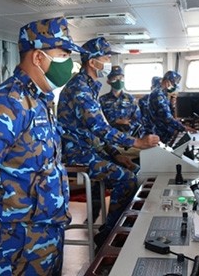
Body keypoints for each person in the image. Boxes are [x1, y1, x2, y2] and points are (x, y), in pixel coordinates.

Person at [0, 17, 82, 275]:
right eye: (63, 54)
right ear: (38, 57)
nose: (68, 62)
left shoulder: (40, 100)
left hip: (45, 230)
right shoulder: (8, 102)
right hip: (16, 239)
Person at [57, 36, 160, 247]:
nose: (108, 62)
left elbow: (97, 133)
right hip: (77, 153)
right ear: (92, 62)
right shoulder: (80, 90)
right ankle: (108, 236)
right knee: (127, 180)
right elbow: (100, 128)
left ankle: (113, 228)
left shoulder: (90, 88)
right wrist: (137, 143)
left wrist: (117, 155)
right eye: (105, 57)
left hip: (90, 148)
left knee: (134, 170)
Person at [148, 70, 196, 144]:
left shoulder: (163, 94)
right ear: (167, 81)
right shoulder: (158, 95)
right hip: (159, 131)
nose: (173, 87)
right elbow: (167, 118)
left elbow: (168, 113)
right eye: (173, 84)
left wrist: (171, 103)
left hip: (163, 130)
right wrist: (183, 128)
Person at [99, 65, 144, 135]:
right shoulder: (102, 100)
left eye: (121, 78)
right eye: (115, 78)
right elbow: (100, 119)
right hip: (109, 136)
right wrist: (115, 121)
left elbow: (138, 119)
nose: (119, 81)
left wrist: (128, 124)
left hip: (129, 136)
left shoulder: (130, 98)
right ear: (108, 81)